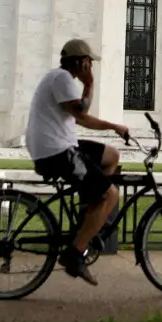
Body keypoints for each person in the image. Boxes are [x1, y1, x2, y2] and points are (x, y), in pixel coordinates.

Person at [25, 38, 130, 285]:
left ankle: (90, 211)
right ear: (81, 63)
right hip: (56, 152)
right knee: (111, 195)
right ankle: (74, 254)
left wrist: (113, 128)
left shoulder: (61, 80)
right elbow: (81, 114)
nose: (91, 67)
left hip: (62, 146)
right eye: (89, 62)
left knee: (112, 156)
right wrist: (90, 84)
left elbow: (80, 117)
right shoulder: (61, 78)